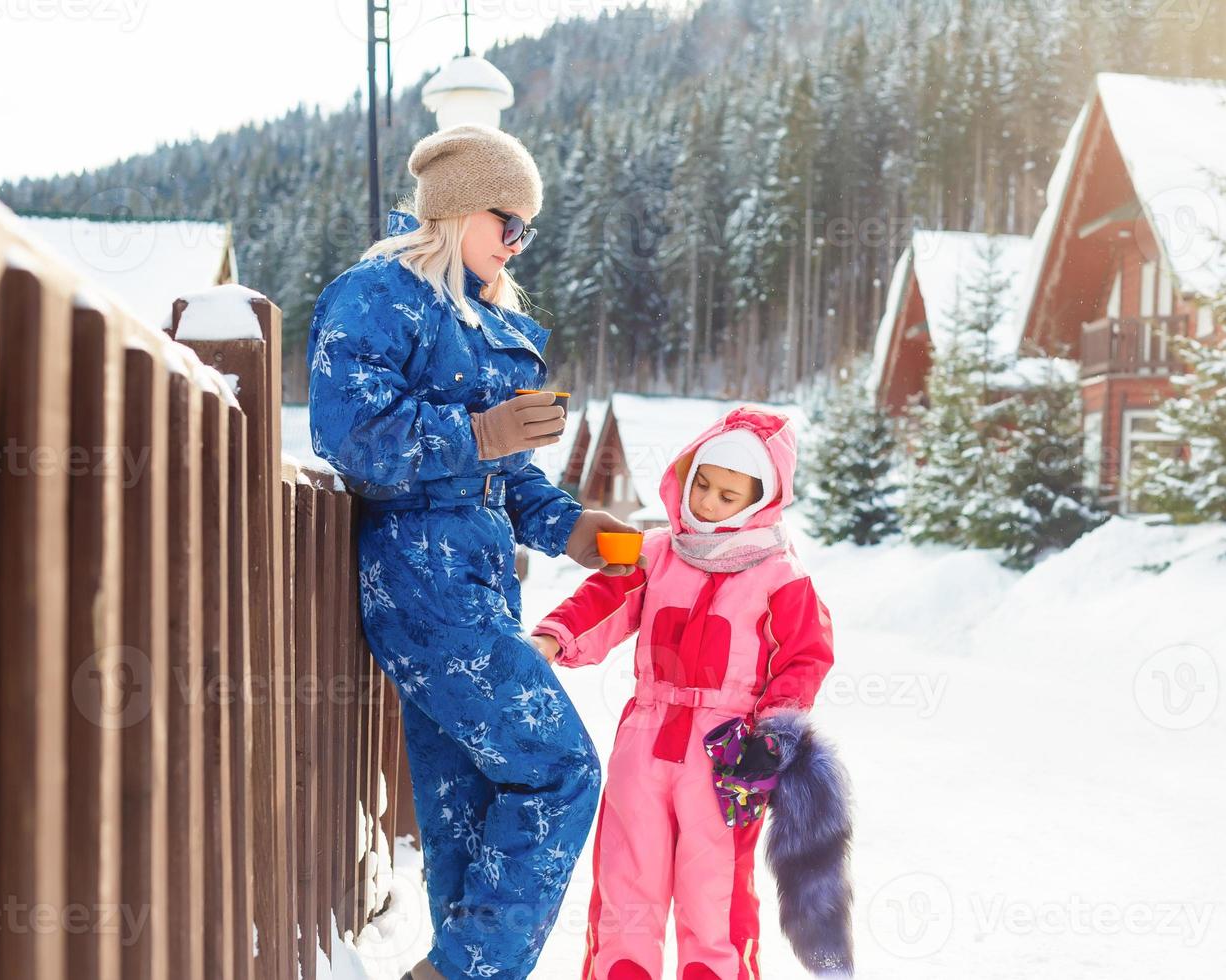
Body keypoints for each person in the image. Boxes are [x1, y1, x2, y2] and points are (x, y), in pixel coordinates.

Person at [307, 122, 645, 980]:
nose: (518, 243)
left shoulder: (490, 317)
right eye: (509, 222)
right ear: (459, 210)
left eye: (528, 229)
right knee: (562, 772)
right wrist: (480, 429)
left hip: (481, 582)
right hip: (421, 584)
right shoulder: (380, 293)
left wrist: (575, 530)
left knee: (469, 809)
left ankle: (459, 962)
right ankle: (459, 972)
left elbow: (507, 478)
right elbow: (350, 434)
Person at [528, 407, 843, 980]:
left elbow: (804, 658)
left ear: (758, 500)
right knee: (628, 882)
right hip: (645, 737)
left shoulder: (781, 576)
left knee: (713, 896)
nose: (707, 502)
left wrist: (772, 738)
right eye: (701, 483)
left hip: (731, 751)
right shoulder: (656, 549)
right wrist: (554, 637)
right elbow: (605, 597)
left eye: (728, 495)